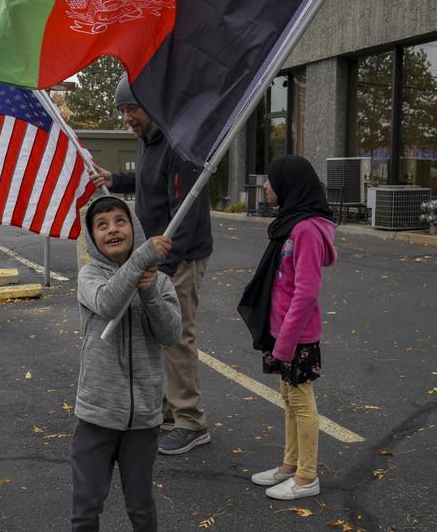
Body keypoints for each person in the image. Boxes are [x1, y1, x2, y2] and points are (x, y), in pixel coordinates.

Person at [90, 74, 213, 456]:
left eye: (131, 109)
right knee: (156, 335)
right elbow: (149, 186)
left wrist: (165, 268)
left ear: (152, 106)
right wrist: (117, 179)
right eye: (122, 110)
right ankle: (170, 411)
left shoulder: (180, 145)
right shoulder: (148, 141)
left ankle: (191, 421)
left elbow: (186, 210)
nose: (126, 117)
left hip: (179, 258)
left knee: (176, 336)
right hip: (154, 257)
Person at [72, 195, 182, 531]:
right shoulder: (89, 275)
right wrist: (140, 262)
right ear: (92, 237)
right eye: (101, 225)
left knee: (141, 505)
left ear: (133, 227)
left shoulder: (159, 281)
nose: (112, 229)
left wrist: (149, 291)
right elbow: (108, 302)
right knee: (87, 505)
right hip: (97, 414)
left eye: (120, 221)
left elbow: (170, 334)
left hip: (144, 417)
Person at [237, 156, 337, 501]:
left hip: (297, 337)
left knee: (301, 399)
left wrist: (287, 342)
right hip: (283, 332)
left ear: (289, 185)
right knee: (289, 398)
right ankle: (290, 465)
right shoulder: (290, 224)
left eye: (270, 180)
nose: (265, 185)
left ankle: (307, 477)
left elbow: (307, 291)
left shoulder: (306, 229)